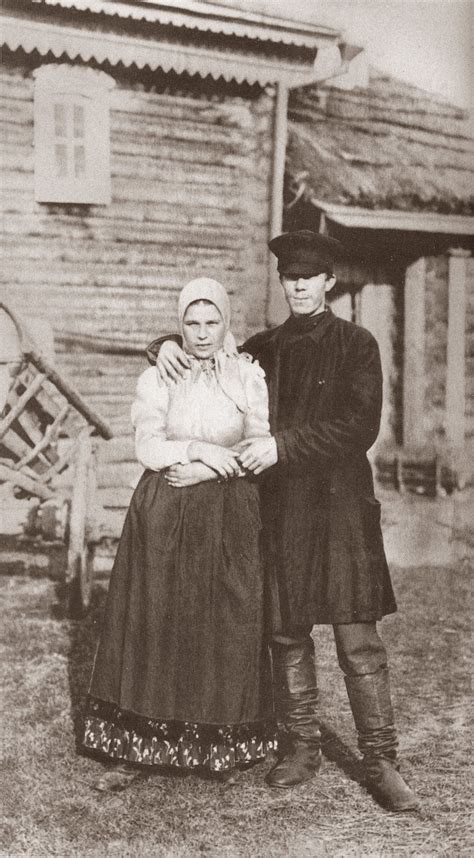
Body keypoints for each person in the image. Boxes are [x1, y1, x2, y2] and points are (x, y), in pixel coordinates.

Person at [147, 231, 419, 812]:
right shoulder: (262, 349)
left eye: (309, 276)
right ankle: (302, 744)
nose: (297, 284)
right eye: (289, 276)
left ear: (329, 283)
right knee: (286, 634)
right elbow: (206, 349)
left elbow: (358, 427)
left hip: (341, 509)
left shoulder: (357, 345)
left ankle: (381, 759)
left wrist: (283, 447)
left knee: (358, 640)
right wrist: (164, 344)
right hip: (279, 514)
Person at [83, 277, 275, 786]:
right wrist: (194, 451)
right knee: (156, 618)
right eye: (192, 323)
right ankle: (137, 748)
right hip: (167, 507)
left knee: (224, 617)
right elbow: (149, 443)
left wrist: (216, 466)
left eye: (212, 322)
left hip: (229, 509)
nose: (203, 333)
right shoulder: (160, 375)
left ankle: (218, 743)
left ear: (227, 322)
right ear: (180, 325)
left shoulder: (248, 375)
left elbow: (259, 441)